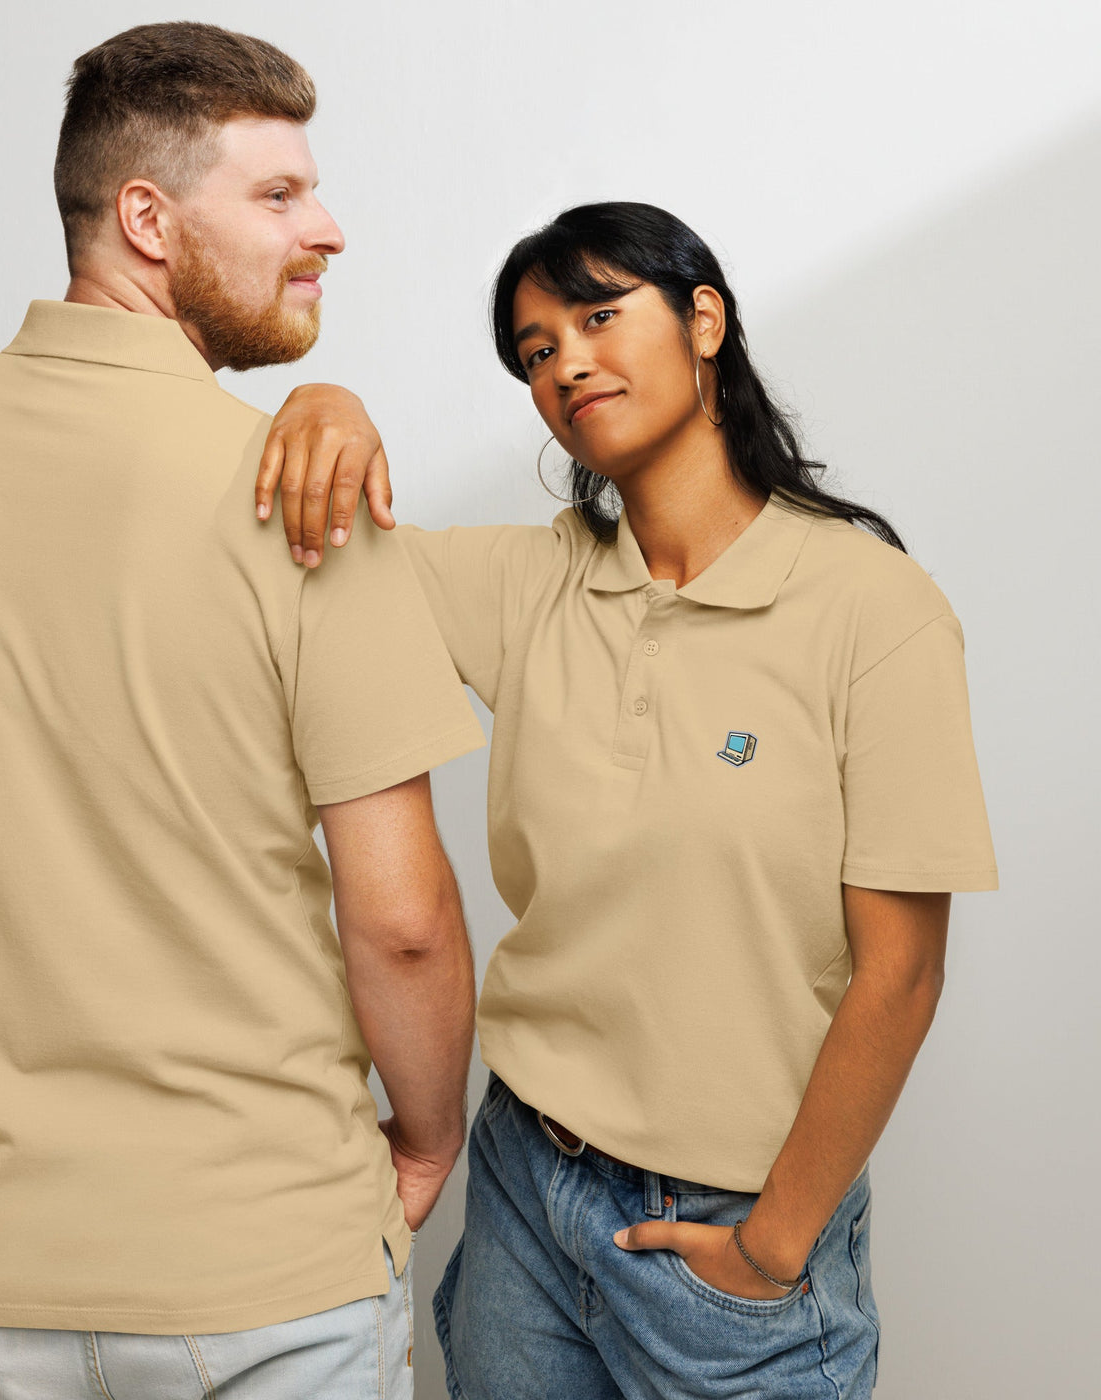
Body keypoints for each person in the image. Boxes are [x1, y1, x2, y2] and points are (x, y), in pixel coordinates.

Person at [0, 22, 485, 1400]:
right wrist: (426, 1140)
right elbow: (403, 919)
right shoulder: (307, 497)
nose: (327, 229)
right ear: (147, 221)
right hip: (265, 1281)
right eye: (279, 194)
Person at [254, 201, 998, 1398]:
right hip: (522, 1188)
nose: (565, 363)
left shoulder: (873, 610)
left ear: (703, 319)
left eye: (598, 316)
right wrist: (324, 402)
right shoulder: (532, 583)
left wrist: (771, 1245)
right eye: (536, 349)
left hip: (733, 1236)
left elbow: (900, 972)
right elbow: (320, 552)